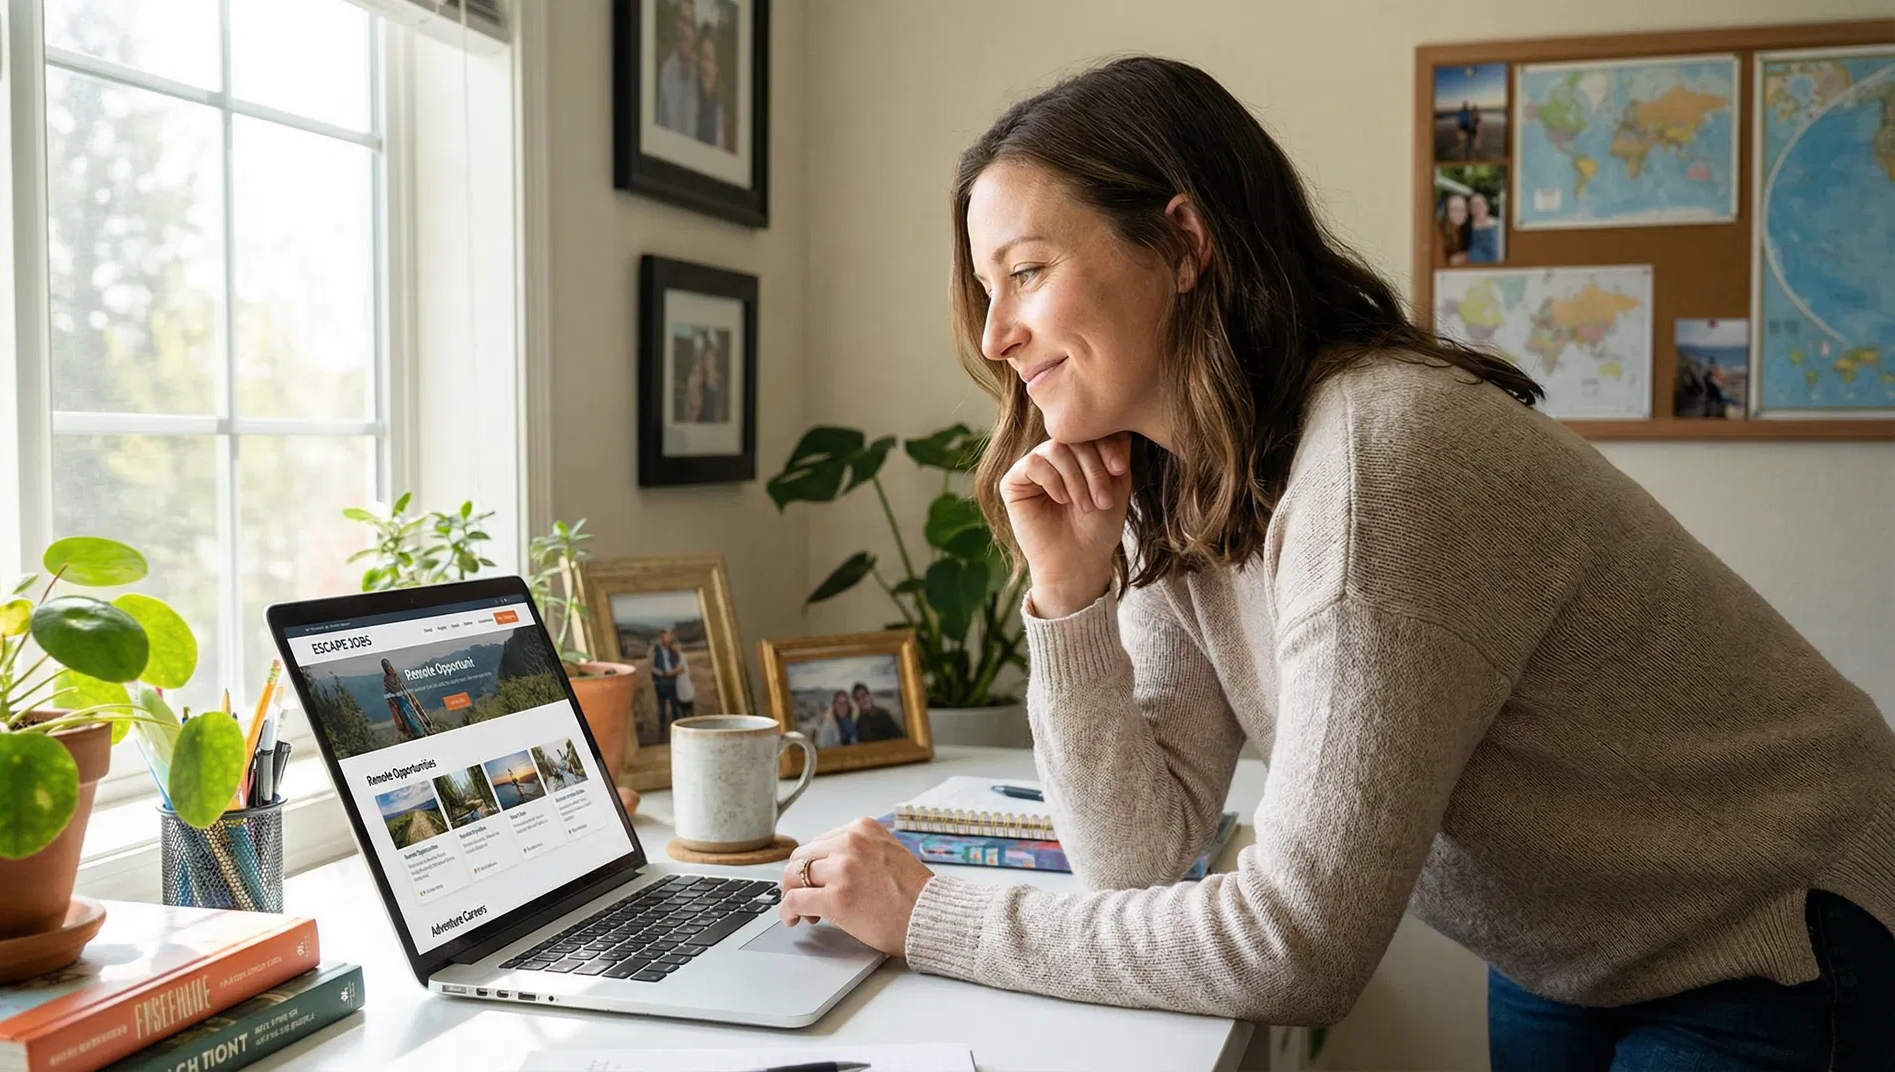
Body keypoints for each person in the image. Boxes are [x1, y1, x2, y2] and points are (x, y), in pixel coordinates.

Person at [772, 57, 1895, 1069]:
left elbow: (1295, 944)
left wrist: (931, 913)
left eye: (1024, 272)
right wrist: (1069, 598)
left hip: (1779, 927)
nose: (993, 337)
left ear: (1182, 244)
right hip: (1578, 945)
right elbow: (1137, 856)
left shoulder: (1380, 457)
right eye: (987, 290)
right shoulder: (1185, 482)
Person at [654, 0, 699, 138]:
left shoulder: (700, 76)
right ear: (676, 25)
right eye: (683, 21)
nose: (686, 30)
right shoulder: (664, 73)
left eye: (690, 24)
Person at [648, 628, 689, 739]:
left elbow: (679, 662)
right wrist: (663, 674)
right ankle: (662, 730)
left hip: (672, 681)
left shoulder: (671, 650)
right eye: (666, 636)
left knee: (674, 705)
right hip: (661, 682)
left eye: (669, 636)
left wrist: (673, 672)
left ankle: (676, 729)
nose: (669, 638)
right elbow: (652, 666)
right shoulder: (655, 650)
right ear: (661, 638)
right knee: (662, 707)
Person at [695, 25, 732, 151]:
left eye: (709, 59)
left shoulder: (720, 111)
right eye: (702, 58)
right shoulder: (690, 101)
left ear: (716, 69)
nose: (704, 65)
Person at [380, 658, 434, 741]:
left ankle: (425, 727)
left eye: (389, 665)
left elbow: (400, 685)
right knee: (407, 713)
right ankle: (417, 732)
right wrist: (398, 684)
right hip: (399, 699)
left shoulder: (393, 675)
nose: (389, 667)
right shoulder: (387, 678)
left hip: (404, 697)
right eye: (387, 666)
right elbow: (395, 689)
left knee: (415, 710)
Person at [1465, 190, 1501, 264]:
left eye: (1481, 203)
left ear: (1487, 206)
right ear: (1470, 209)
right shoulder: (1466, 227)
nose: (1479, 207)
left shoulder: (1500, 225)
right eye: (1474, 204)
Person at [1438, 191, 1470, 266]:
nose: (1460, 213)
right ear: (1446, 211)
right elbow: (1439, 263)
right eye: (1455, 209)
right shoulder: (1438, 230)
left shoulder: (1461, 229)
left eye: (1463, 209)